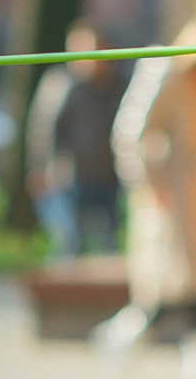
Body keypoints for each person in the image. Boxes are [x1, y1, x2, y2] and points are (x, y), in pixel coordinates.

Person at [93, 16, 196, 379]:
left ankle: (183, 349)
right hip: (170, 199)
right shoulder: (166, 72)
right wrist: (149, 184)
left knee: (186, 283)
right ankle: (189, 351)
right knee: (171, 282)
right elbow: (132, 134)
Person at [23, 21, 122, 260]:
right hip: (67, 179)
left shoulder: (117, 86)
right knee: (68, 240)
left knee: (109, 243)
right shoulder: (60, 84)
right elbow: (42, 129)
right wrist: (39, 169)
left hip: (109, 177)